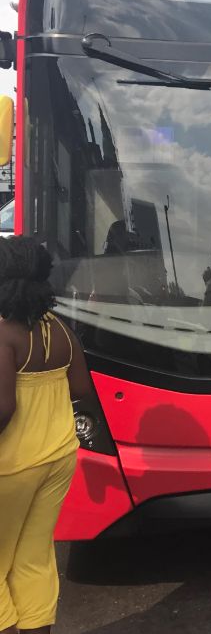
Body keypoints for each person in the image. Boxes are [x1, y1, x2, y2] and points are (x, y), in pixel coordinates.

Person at [0, 237, 93, 634]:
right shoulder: (58, 330)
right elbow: (81, 389)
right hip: (58, 458)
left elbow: (4, 408)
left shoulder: (4, 334)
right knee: (34, 558)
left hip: (11, 466)